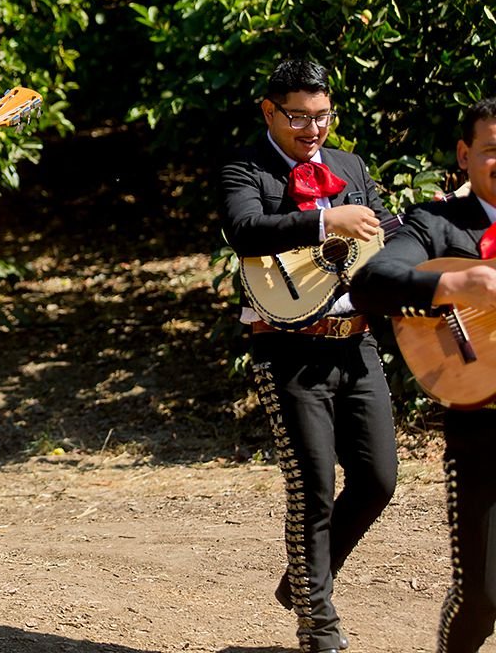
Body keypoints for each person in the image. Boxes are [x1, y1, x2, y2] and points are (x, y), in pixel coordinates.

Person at [218, 58, 397, 653]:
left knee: (377, 479)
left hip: (356, 342)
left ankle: (301, 581)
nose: (312, 129)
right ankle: (317, 621)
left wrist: (426, 226)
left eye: (322, 116)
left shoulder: (350, 166)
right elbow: (245, 230)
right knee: (313, 486)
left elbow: (383, 233)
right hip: (284, 347)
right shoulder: (244, 166)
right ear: (269, 111)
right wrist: (326, 219)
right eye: (298, 116)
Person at [351, 97, 496, 653]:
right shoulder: (436, 224)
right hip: (482, 431)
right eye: (491, 150)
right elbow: (371, 282)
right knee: (482, 595)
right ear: (464, 155)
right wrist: (455, 287)